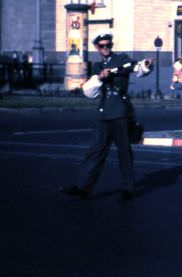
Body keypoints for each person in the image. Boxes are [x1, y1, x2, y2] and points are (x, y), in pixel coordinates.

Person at [61, 33, 152, 201]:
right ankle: (83, 187)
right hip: (103, 114)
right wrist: (100, 78)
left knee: (124, 152)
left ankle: (128, 188)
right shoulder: (97, 66)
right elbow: (90, 93)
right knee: (95, 151)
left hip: (120, 112)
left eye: (108, 45)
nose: (105, 49)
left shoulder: (121, 59)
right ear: (96, 47)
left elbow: (138, 68)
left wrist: (145, 65)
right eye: (102, 46)